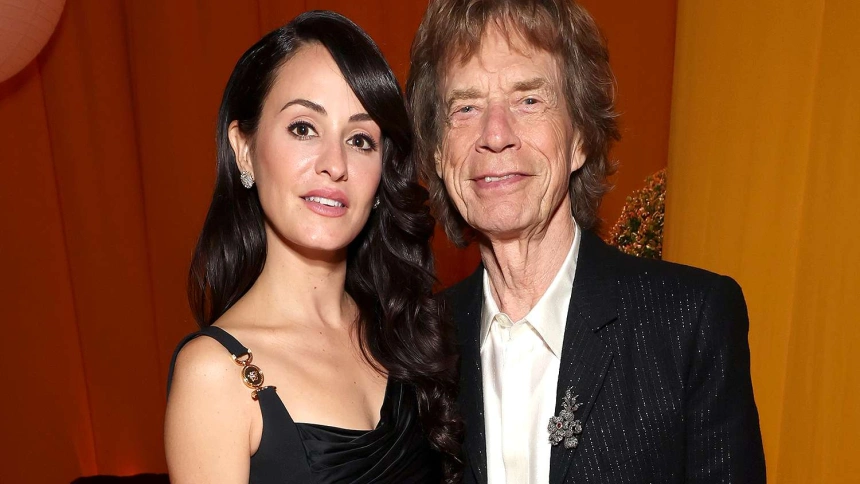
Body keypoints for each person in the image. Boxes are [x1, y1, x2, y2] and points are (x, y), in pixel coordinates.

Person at [406, 1, 766, 483]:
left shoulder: (688, 324)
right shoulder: (415, 344)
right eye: (466, 107)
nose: (495, 134)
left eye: (528, 100)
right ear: (437, 151)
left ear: (579, 135)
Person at [165, 11, 461, 484]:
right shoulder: (214, 374)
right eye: (303, 128)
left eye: (360, 139)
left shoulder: (409, 331)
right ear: (244, 149)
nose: (335, 164)